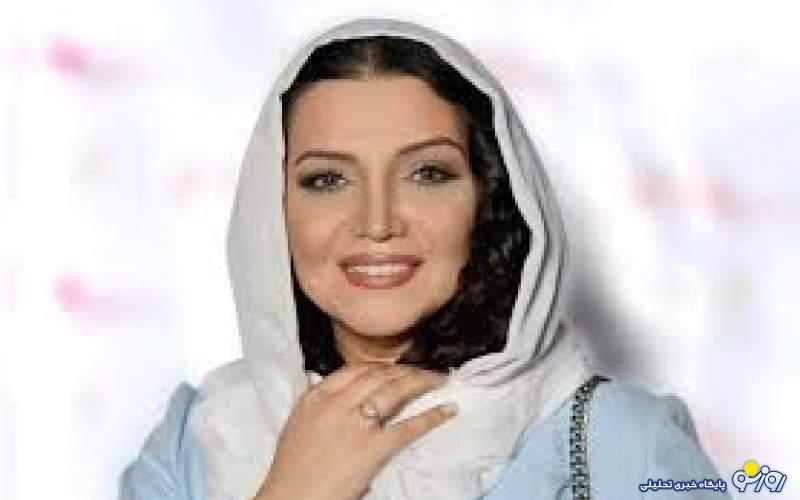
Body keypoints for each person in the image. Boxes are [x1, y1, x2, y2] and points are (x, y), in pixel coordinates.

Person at [119, 18, 731, 500]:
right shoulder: (196, 443)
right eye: (327, 179)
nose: (377, 222)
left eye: (428, 173)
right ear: (271, 210)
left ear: (490, 197)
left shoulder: (624, 445)